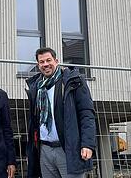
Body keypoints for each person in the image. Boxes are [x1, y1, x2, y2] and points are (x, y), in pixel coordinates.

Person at [25, 47, 96, 178]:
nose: (45, 64)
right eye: (42, 62)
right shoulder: (37, 86)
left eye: (48, 60)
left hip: (67, 149)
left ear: (56, 61)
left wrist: (87, 144)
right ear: (38, 65)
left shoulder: (73, 81)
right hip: (44, 150)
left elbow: (87, 114)